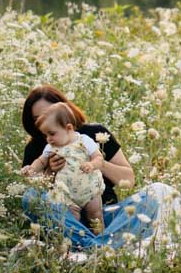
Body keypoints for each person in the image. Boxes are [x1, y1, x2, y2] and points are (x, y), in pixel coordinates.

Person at [18, 85, 165, 250]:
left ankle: (90, 248)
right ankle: (99, 249)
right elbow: (36, 194)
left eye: (48, 113)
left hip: (106, 216)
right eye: (38, 118)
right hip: (68, 220)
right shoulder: (38, 147)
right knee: (31, 197)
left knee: (156, 193)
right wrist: (50, 171)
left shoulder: (93, 135)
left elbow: (128, 180)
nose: (44, 121)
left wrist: (98, 163)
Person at [25, 102, 105, 232]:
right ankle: (78, 245)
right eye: (46, 135)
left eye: (52, 133)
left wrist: (91, 164)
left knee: (95, 217)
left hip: (89, 190)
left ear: (68, 128)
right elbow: (41, 161)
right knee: (71, 221)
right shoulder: (51, 147)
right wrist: (31, 169)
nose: (48, 139)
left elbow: (99, 158)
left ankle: (101, 240)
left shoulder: (83, 140)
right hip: (66, 194)